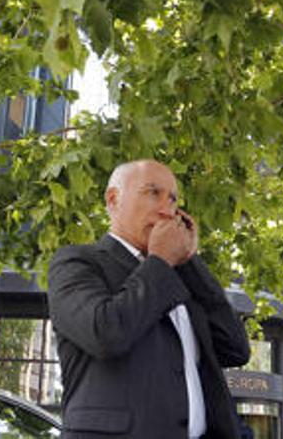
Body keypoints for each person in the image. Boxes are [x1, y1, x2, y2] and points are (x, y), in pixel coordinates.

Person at [47, 159, 250, 438]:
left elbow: (235, 349)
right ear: (113, 199)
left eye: (173, 199)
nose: (168, 209)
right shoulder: (76, 262)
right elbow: (106, 333)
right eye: (153, 193)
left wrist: (189, 260)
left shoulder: (178, 277)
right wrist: (161, 260)